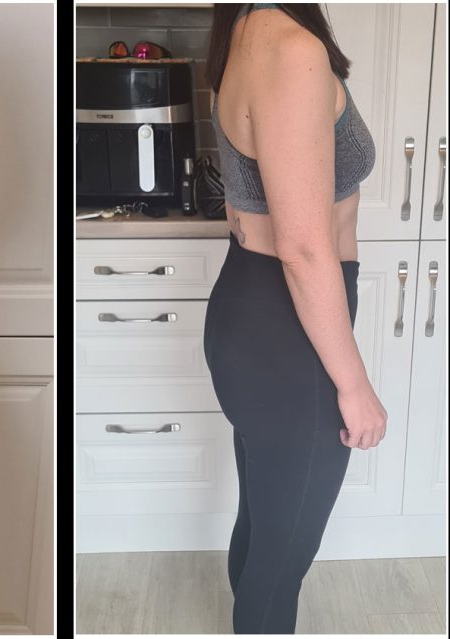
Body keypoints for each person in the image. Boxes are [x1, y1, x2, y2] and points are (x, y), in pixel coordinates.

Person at [202, 3, 388, 634]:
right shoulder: (290, 50)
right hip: (285, 334)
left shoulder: (245, 31)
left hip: (262, 318)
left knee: (265, 529)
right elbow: (305, 249)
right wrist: (355, 387)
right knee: (281, 561)